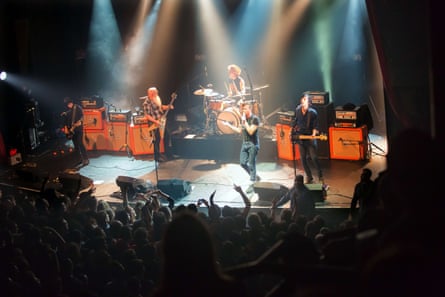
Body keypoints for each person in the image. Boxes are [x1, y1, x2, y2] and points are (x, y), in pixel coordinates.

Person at [222, 103, 260, 182]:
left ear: (250, 109)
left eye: (245, 109)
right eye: (242, 109)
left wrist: (244, 122)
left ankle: (253, 181)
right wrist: (228, 125)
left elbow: (250, 132)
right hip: (245, 143)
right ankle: (253, 175)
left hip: (253, 144)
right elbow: (239, 130)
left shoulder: (255, 119)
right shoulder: (243, 120)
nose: (243, 111)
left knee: (251, 164)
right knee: (242, 163)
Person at [292, 94, 323, 184]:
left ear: (309, 103)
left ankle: (320, 175)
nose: (303, 101)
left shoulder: (313, 113)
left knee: (314, 158)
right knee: (303, 159)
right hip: (301, 138)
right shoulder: (298, 110)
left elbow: (315, 126)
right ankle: (309, 176)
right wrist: (293, 129)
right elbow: (296, 121)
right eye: (303, 100)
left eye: (306, 100)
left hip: (310, 138)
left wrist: (313, 135)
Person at [142, 87, 173, 162]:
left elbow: (160, 107)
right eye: (153, 93)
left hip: (161, 121)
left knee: (167, 136)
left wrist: (168, 107)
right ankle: (157, 157)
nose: (155, 94)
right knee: (157, 140)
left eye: (156, 92)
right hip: (154, 124)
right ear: (150, 94)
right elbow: (147, 116)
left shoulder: (157, 98)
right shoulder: (147, 103)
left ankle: (168, 154)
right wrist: (156, 122)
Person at [61, 97, 89, 166]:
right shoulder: (68, 111)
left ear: (71, 102)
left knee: (80, 143)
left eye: (69, 104)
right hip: (72, 131)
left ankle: (86, 159)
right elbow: (66, 120)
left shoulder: (78, 107)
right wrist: (66, 128)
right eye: (67, 104)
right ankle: (79, 159)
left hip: (79, 129)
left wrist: (80, 121)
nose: (68, 105)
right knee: (76, 146)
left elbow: (82, 116)